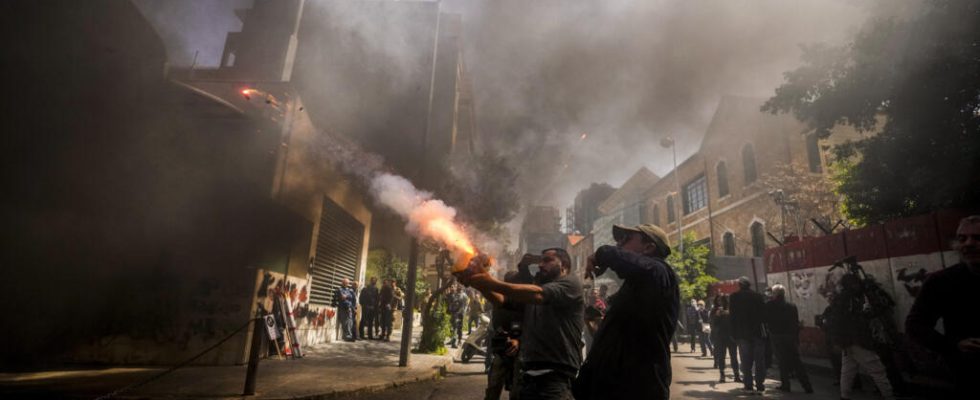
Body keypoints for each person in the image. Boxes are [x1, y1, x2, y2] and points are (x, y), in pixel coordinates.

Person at [461, 248, 584, 400]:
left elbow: (537, 293)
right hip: (529, 377)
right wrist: (478, 283)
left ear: (564, 265)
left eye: (547, 260)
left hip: (555, 379)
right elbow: (502, 300)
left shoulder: (570, 284)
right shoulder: (535, 292)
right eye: (540, 260)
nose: (540, 265)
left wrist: (491, 282)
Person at [573, 224, 680, 400]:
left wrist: (602, 253)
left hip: (637, 388)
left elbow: (630, 262)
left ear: (649, 247)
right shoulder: (634, 286)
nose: (618, 244)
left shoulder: (660, 272)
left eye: (626, 239)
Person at [906, 215, 980, 397]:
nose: (968, 244)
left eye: (978, 238)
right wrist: (952, 345)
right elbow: (915, 324)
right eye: (962, 238)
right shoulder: (941, 281)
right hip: (970, 377)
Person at [828, 273, 894, 400]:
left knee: (848, 370)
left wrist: (839, 340)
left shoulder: (845, 298)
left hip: (849, 341)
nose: (857, 286)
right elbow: (845, 320)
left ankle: (845, 395)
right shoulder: (850, 299)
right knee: (877, 369)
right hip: (858, 339)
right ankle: (889, 395)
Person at [485, 270, 529, 400]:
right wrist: (504, 334)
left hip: (520, 349)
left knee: (517, 389)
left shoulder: (525, 301)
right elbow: (496, 322)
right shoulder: (500, 301)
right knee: (493, 386)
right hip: (502, 347)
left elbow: (530, 325)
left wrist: (518, 340)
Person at [765, 284, 813, 393]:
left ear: (775, 294)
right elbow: (796, 322)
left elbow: (765, 319)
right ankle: (807, 386)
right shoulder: (791, 306)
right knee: (797, 361)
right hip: (790, 336)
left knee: (782, 361)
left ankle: (786, 385)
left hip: (777, 336)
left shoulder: (769, 305)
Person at [729, 276, 767, 394]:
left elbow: (732, 317)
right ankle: (760, 384)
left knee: (746, 360)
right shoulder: (758, 296)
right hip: (757, 332)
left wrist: (733, 333)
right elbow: (763, 315)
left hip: (742, 333)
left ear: (740, 285)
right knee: (759, 360)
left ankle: (748, 384)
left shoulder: (734, 297)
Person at [710, 294, 740, 383]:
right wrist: (717, 315)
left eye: (722, 300)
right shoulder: (714, 310)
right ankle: (722, 375)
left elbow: (735, 321)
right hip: (720, 337)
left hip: (731, 337)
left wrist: (729, 313)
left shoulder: (731, 309)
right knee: (721, 357)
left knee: (734, 357)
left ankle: (736, 375)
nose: (720, 302)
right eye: (718, 300)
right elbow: (713, 324)